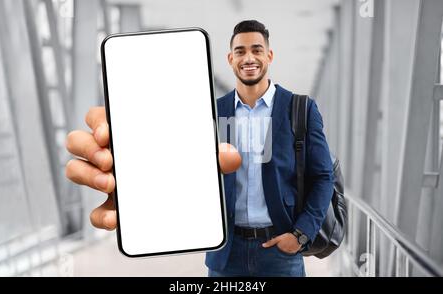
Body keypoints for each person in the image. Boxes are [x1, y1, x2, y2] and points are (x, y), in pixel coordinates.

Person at [65, 20, 333, 277]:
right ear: (230, 60)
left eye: (256, 50)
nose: (248, 58)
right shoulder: (213, 112)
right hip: (227, 253)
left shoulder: (300, 109)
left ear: (270, 56)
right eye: (240, 51)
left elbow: (323, 177)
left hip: (280, 250)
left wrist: (300, 236)